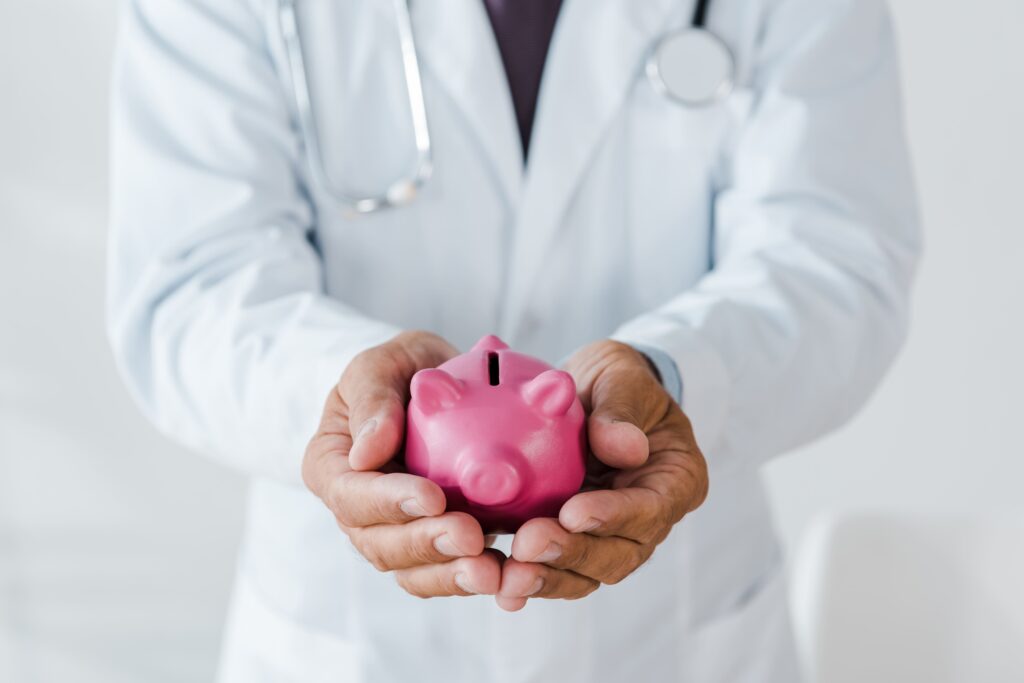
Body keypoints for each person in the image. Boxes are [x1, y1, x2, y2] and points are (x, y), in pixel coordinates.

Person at [107, 0, 920, 680]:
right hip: (350, 637)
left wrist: (671, 378)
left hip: (672, 633)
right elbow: (193, 284)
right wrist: (356, 399)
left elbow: (834, 260)